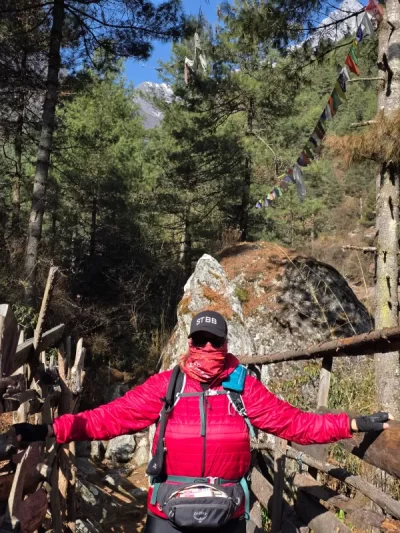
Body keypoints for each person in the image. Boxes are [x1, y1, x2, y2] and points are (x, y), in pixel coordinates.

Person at [12, 310, 392, 533]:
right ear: (190, 342)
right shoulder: (169, 386)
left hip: (227, 512)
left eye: (215, 341)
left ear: (225, 344)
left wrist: (350, 425)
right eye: (201, 340)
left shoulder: (243, 387)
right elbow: (112, 417)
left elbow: (295, 424)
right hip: (168, 512)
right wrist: (52, 429)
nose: (208, 348)